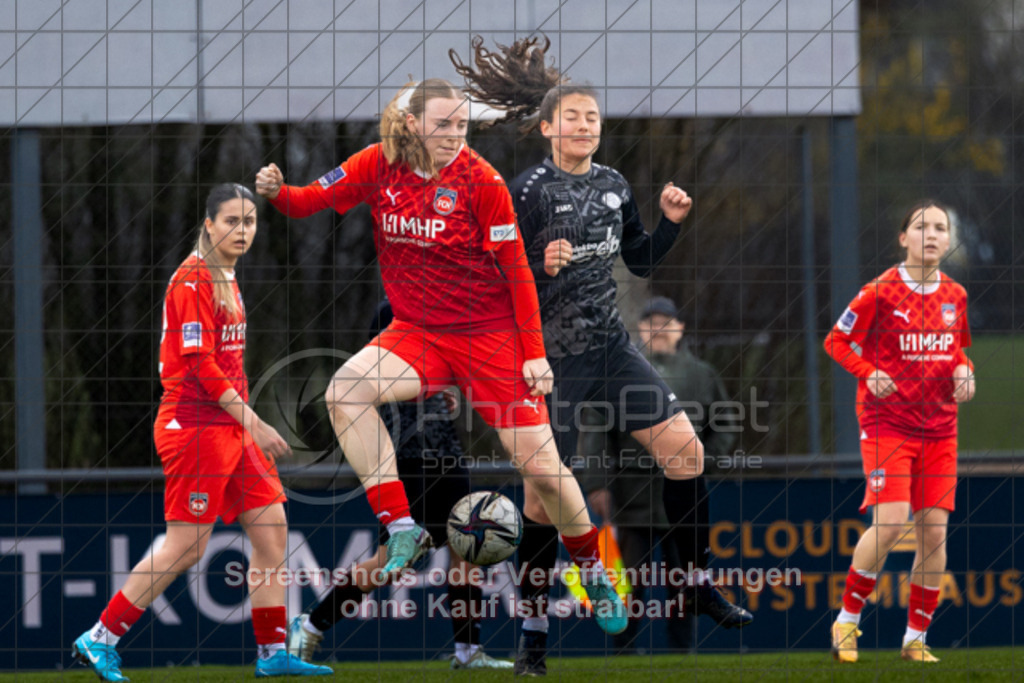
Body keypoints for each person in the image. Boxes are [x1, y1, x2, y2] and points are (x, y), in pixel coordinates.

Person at [255, 79, 627, 637]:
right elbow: (315, 199)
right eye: (443, 124)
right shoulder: (377, 164)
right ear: (411, 124)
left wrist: (534, 356)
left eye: (462, 125)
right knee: (344, 391)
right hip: (419, 333)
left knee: (544, 469)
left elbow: (518, 273)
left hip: (489, 337)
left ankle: (591, 567)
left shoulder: (482, 181)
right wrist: (280, 192)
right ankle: (399, 524)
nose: (455, 135)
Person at [449, 38, 707, 675]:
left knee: (688, 453)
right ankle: (532, 642)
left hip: (612, 350)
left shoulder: (615, 185)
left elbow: (639, 260)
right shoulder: (527, 191)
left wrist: (671, 223)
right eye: (573, 117)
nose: (586, 125)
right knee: (541, 503)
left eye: (594, 117)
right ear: (547, 128)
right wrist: (538, 267)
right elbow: (491, 279)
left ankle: (697, 584)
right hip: (549, 362)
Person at [70, 184, 332, 680]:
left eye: (250, 221)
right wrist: (255, 421)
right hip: (194, 425)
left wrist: (245, 425)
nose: (242, 230)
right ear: (208, 224)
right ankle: (100, 636)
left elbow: (228, 368)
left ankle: (272, 653)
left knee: (272, 532)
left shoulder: (226, 276)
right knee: (187, 545)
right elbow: (202, 370)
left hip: (229, 426)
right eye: (231, 220)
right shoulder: (191, 279)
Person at [286, 301, 512, 670]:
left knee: (468, 547)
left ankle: (468, 652)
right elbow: (374, 373)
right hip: (403, 455)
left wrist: (447, 382)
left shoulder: (440, 304)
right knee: (390, 561)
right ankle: (310, 625)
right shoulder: (389, 310)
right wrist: (423, 388)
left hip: (446, 451)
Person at [825, 199, 975, 664]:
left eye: (940, 228)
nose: (931, 234)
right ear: (903, 238)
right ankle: (846, 622)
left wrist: (966, 371)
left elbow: (959, 352)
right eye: (921, 226)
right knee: (890, 524)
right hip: (887, 423)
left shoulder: (956, 296)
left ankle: (915, 639)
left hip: (940, 428)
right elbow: (836, 340)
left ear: (948, 240)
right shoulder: (880, 292)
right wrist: (867, 371)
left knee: (934, 535)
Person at [581, 297, 752, 654]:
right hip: (632, 496)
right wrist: (597, 482)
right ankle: (623, 650)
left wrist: (702, 462)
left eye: (665, 321)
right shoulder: (622, 372)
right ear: (640, 329)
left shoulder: (701, 374)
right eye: (650, 322)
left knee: (686, 580)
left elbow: (726, 424)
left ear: (680, 328)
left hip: (681, 495)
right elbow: (595, 429)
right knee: (630, 581)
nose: (657, 329)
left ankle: (682, 651)